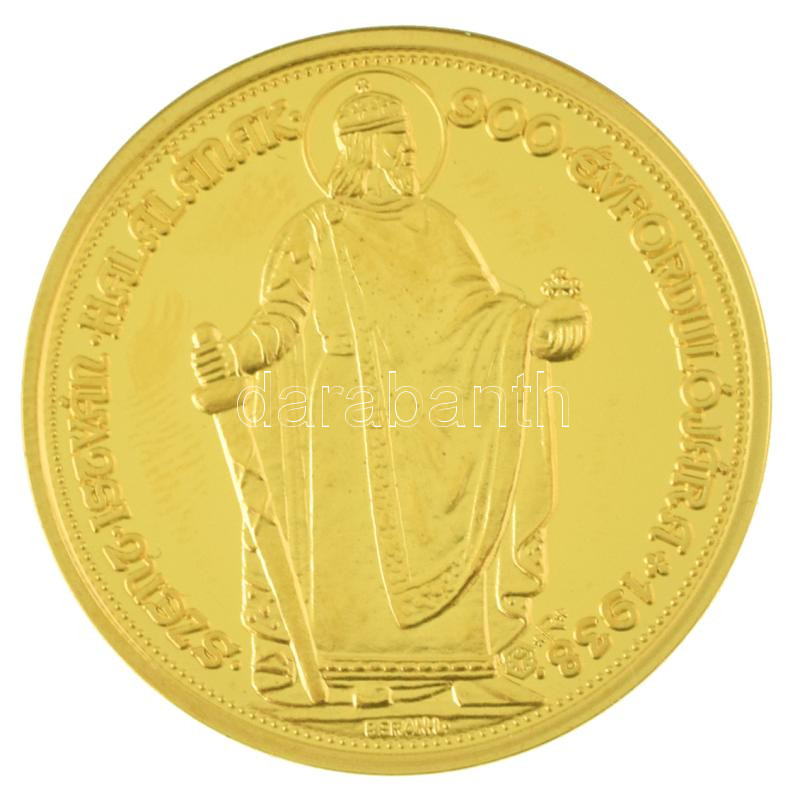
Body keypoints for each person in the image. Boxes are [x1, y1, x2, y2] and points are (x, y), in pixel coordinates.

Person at [193, 84, 589, 710]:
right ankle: (351, 673)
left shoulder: (438, 224)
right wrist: (237, 353)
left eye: (410, 144)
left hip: (435, 406)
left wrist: (535, 327)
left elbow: (479, 312)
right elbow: (283, 318)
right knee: (351, 553)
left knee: (462, 525)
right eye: (399, 143)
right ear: (367, 148)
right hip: (346, 408)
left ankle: (466, 669)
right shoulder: (316, 228)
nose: (409, 154)